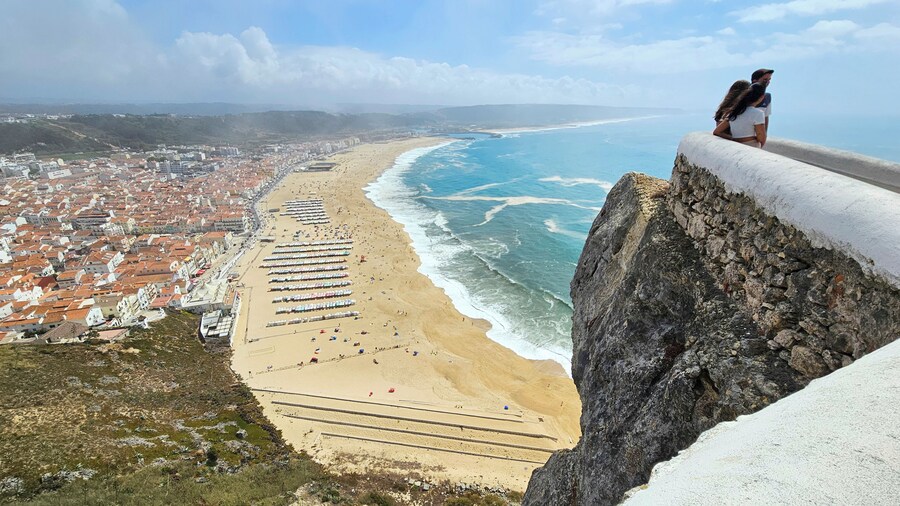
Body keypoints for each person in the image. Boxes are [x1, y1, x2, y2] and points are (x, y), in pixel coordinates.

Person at [713, 83, 768, 148]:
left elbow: (717, 132)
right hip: (751, 146)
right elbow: (761, 137)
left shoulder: (735, 111)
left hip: (736, 146)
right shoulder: (758, 113)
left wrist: (733, 138)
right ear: (762, 97)